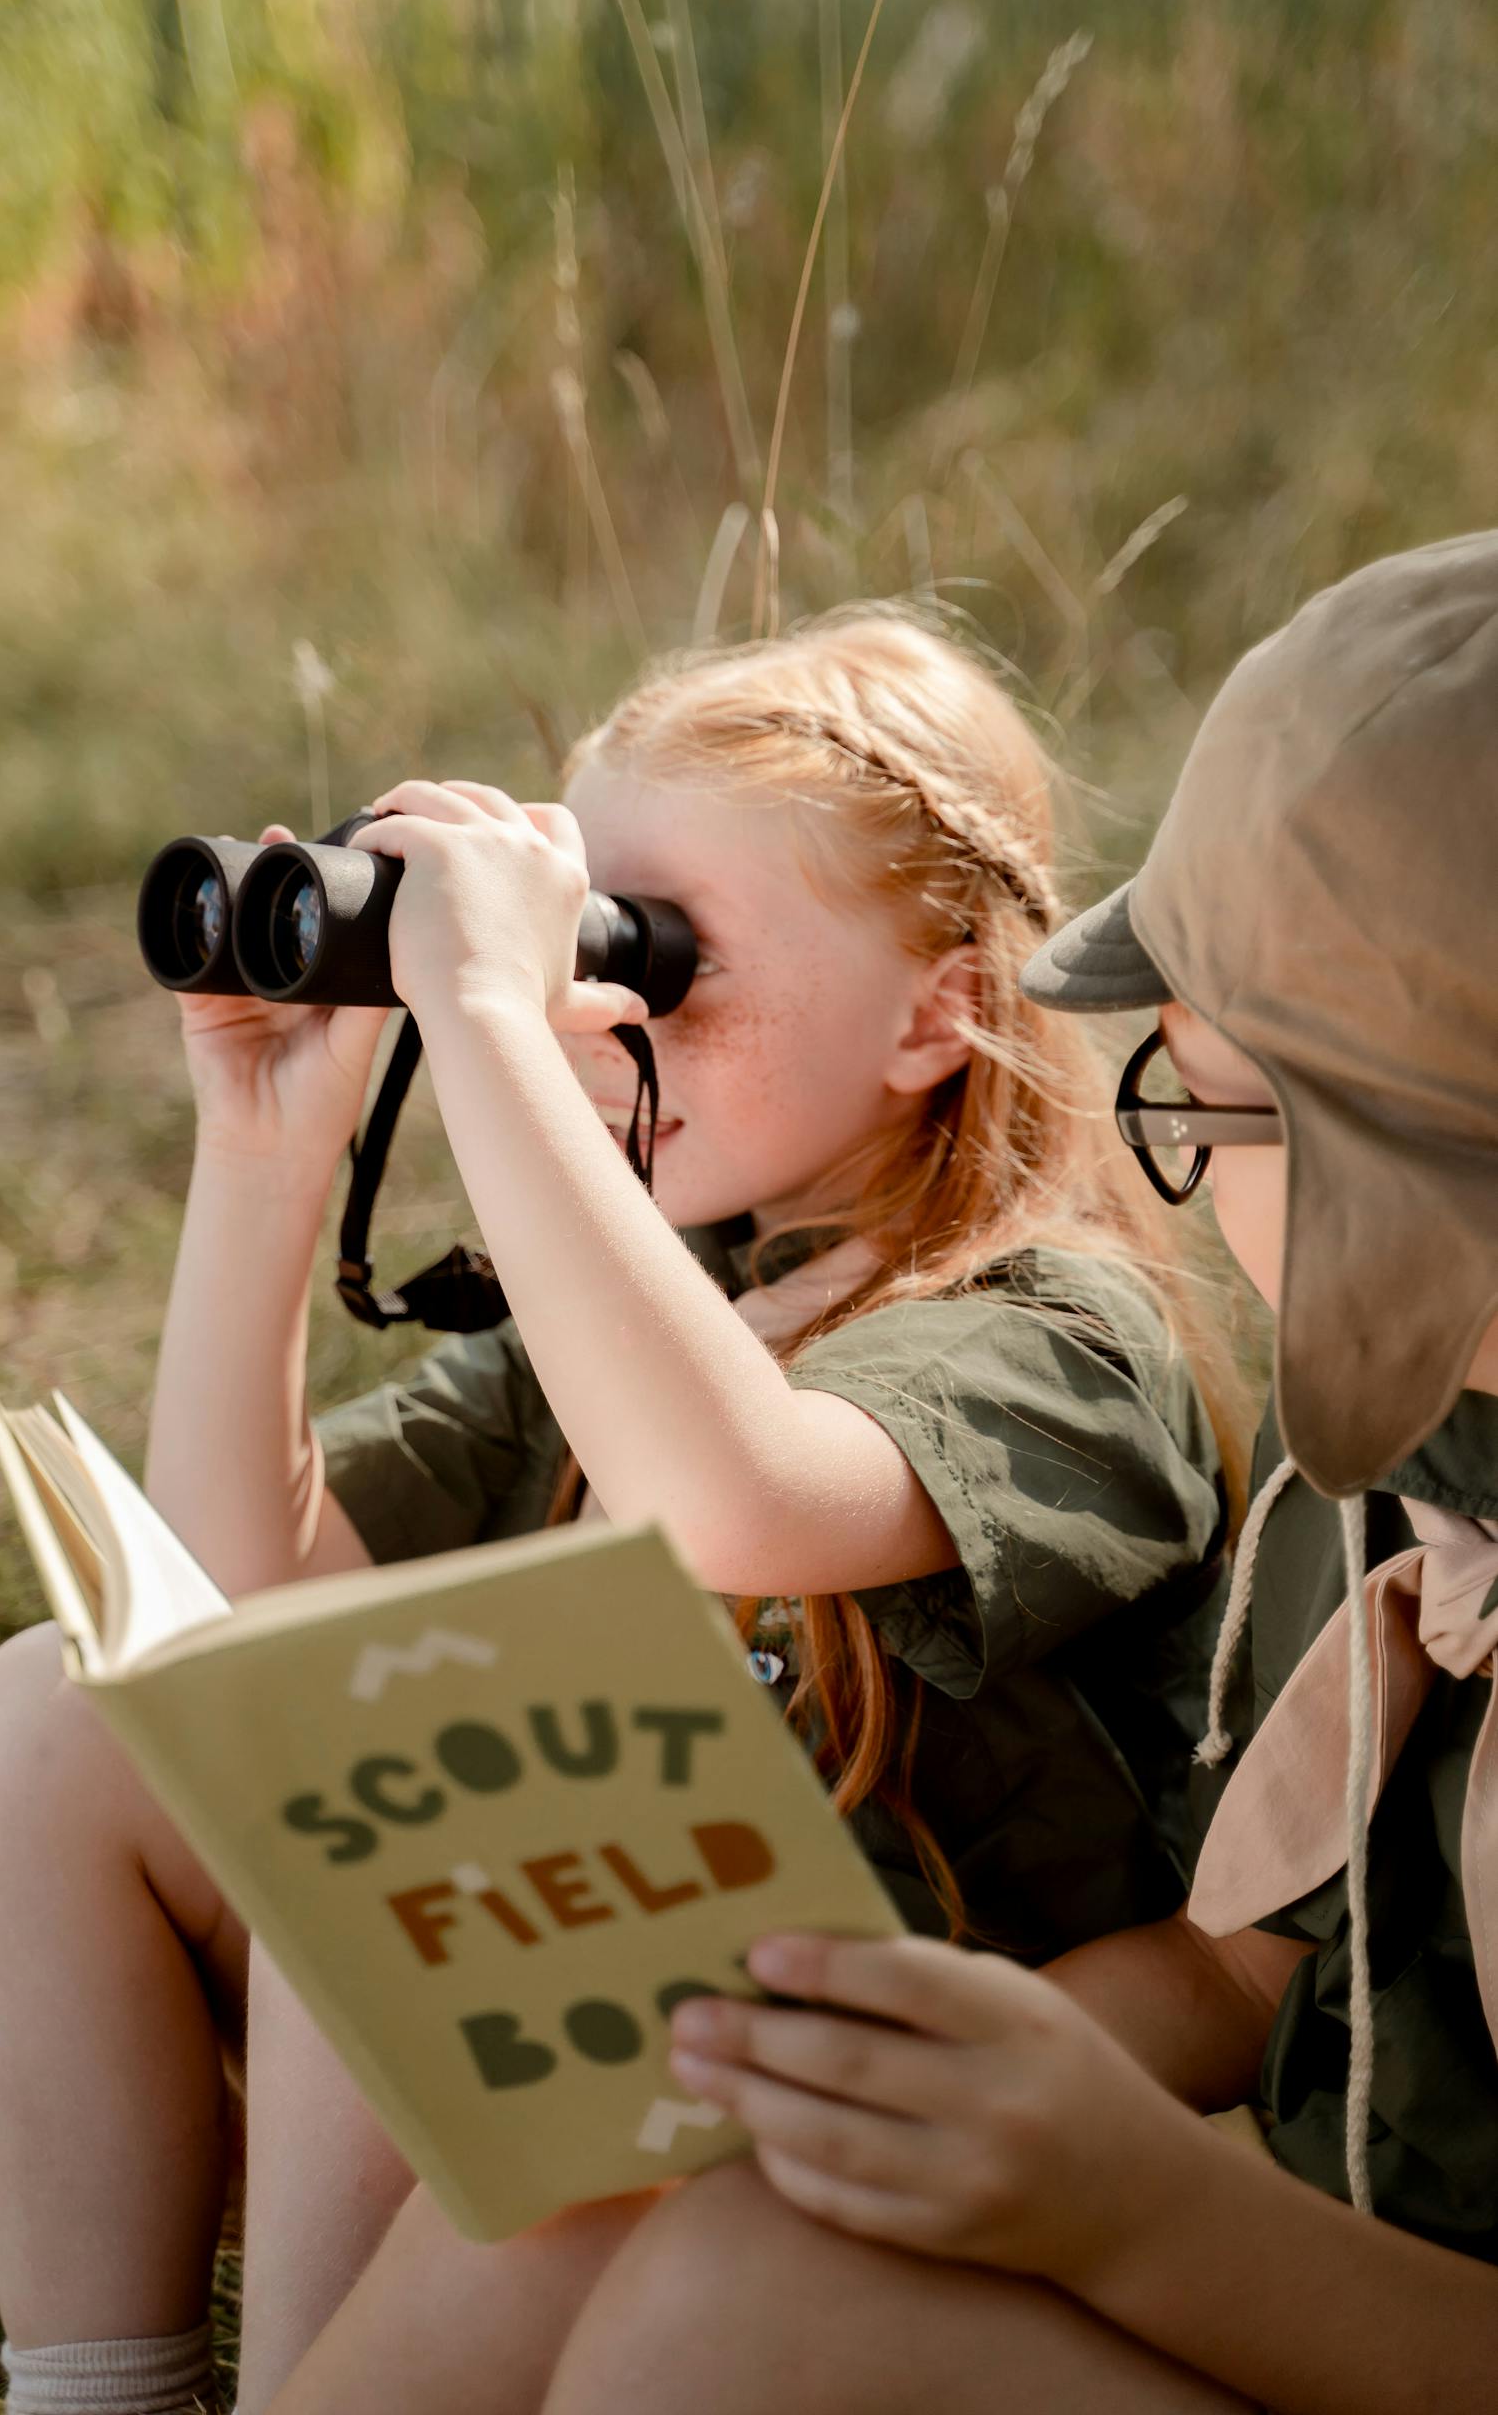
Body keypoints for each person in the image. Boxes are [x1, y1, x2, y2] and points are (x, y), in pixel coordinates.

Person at [0, 605, 1246, 2415]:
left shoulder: (1064, 1335)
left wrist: (482, 1019)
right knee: (54, 1719)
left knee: (399, 1809)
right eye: (576, 943)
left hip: (893, 2130)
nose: (594, 1012)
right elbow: (235, 1608)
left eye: (660, 959)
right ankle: (102, 2396)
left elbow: (739, 1500)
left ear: (938, 1014)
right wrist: (265, 1150)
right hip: (598, 2030)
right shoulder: (666, 1282)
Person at [508, 534, 1498, 2415]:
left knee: (728, 2306)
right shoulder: (1388, 1462)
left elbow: (744, 1494)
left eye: (1203, 1104)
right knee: (704, 2223)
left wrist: (1134, 2217)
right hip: (1309, 2238)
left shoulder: (1073, 1336)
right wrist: (926, 2070)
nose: (1183, 1171)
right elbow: (1252, 1974)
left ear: (1411, 1168)